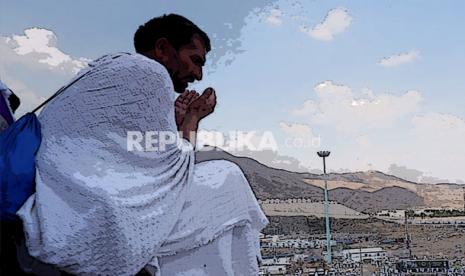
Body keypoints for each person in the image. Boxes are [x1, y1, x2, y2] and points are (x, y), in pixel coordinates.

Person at [16, 14, 268, 275]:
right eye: (195, 60)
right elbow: (173, 172)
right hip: (93, 208)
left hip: (63, 195)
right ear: (162, 49)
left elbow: (136, 159)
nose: (198, 74)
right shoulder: (151, 73)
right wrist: (193, 118)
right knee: (229, 177)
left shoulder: (106, 68)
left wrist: (174, 122)